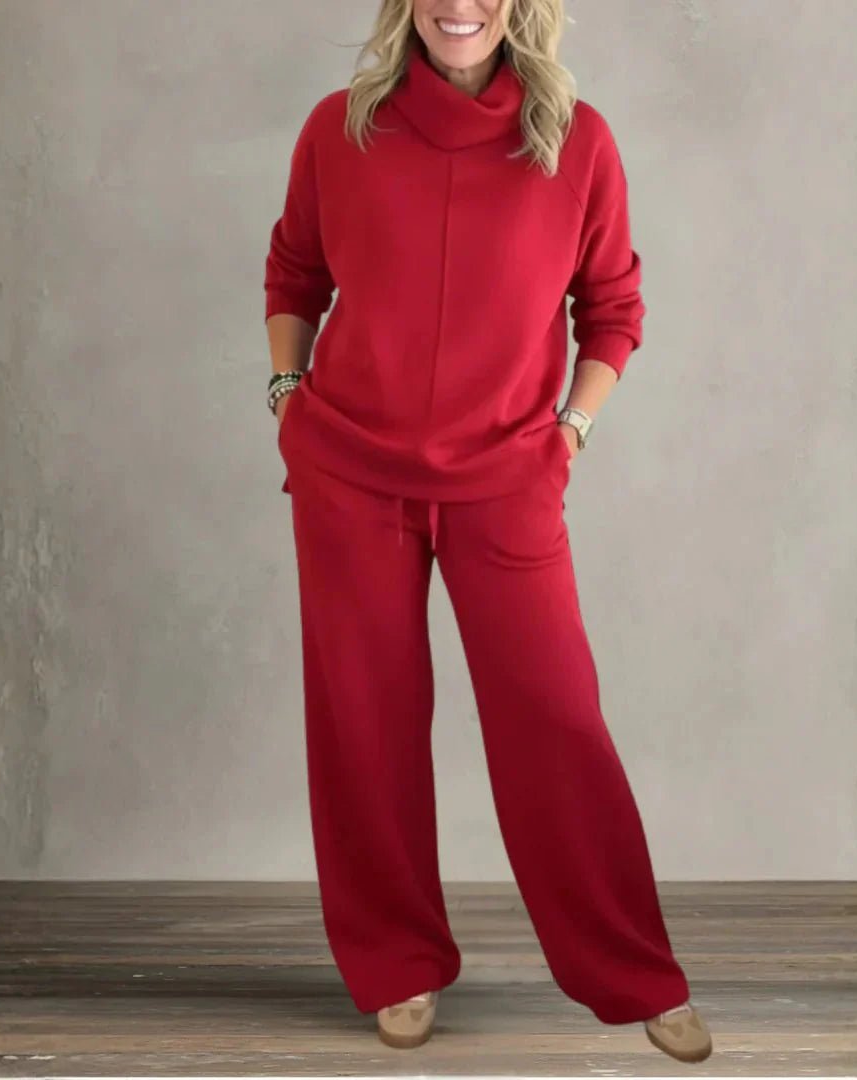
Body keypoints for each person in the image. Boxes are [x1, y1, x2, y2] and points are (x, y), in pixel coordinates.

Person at [263, 0, 712, 1063]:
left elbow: (613, 308)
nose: (459, 3)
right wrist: (287, 397)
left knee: (554, 719)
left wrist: (570, 431)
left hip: (508, 477)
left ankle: (632, 971)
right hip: (349, 475)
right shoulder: (339, 129)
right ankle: (397, 963)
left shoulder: (577, 142)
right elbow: (294, 272)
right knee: (363, 722)